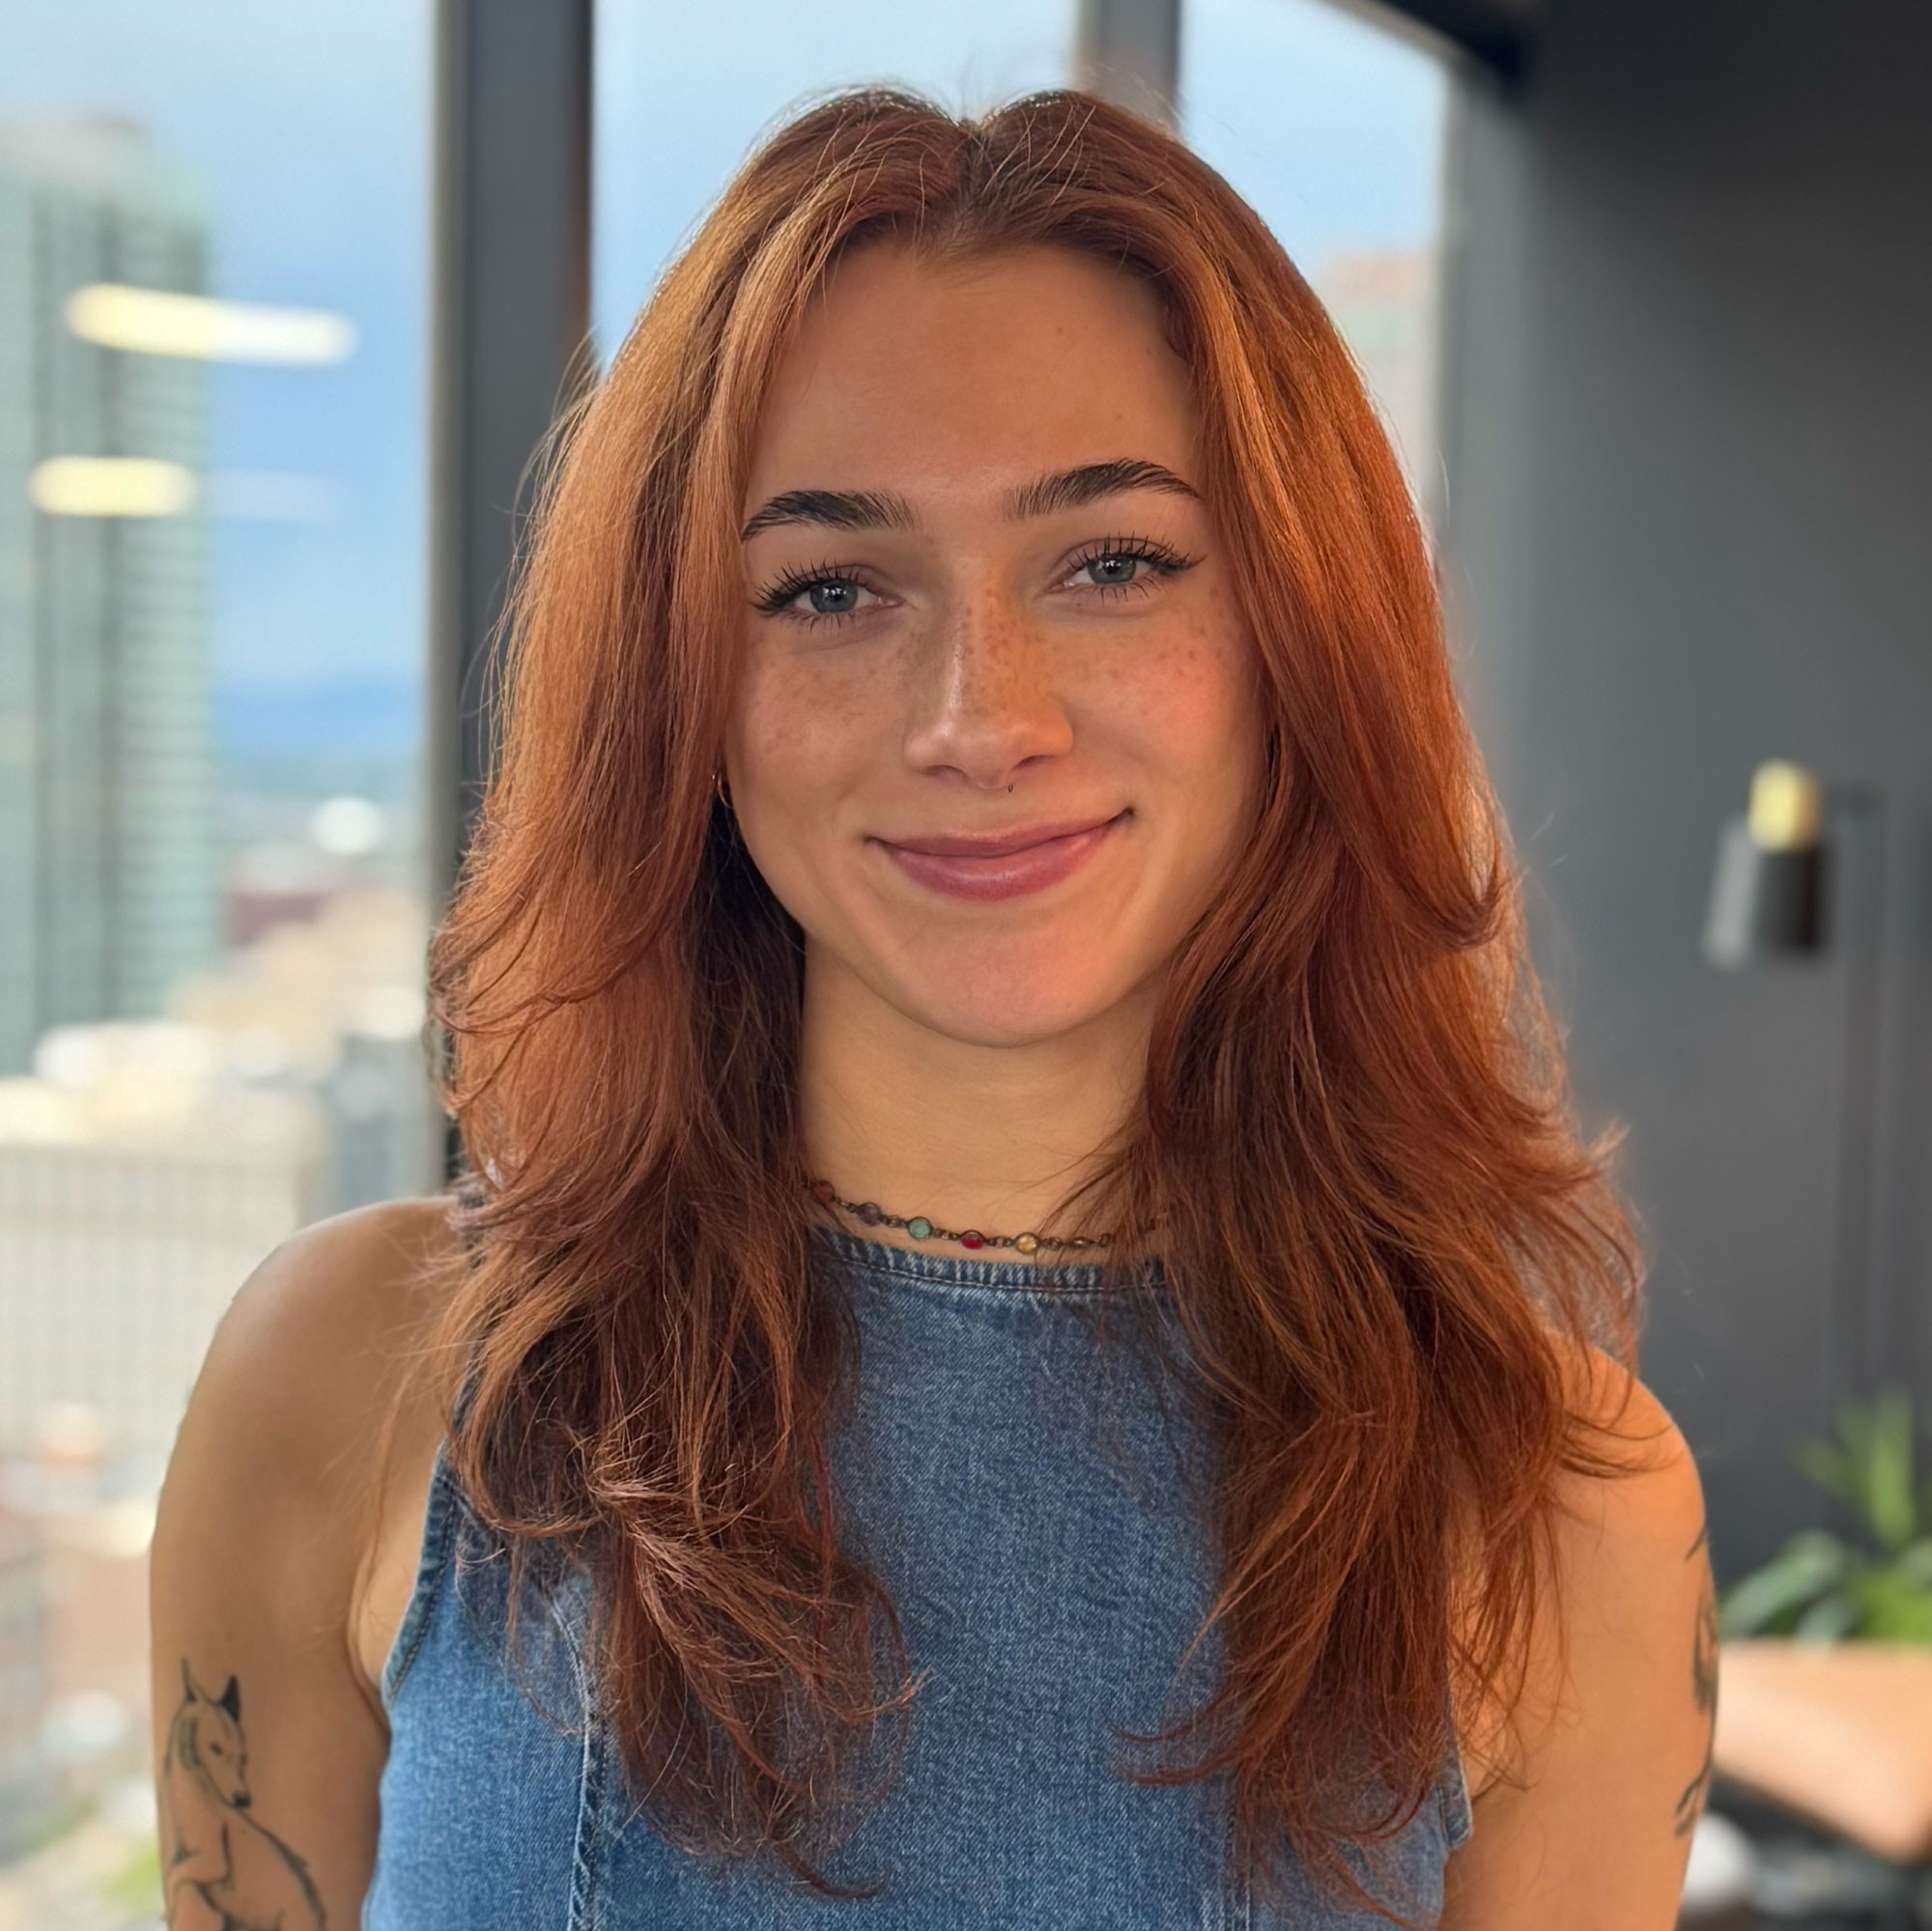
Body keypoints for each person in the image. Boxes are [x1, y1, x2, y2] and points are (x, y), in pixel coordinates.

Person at [151, 84, 1716, 1930]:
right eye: (828, 587)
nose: (983, 716)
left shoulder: (1560, 1506)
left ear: (1304, 640)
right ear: (686, 703)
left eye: (1114, 560)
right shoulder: (352, 1378)